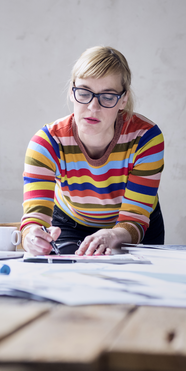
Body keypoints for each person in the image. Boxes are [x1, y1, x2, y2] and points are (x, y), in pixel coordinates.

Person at [20, 46, 165, 256]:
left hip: (135, 226)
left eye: (107, 96)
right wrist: (32, 236)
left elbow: (134, 217)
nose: (93, 107)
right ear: (72, 92)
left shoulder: (146, 139)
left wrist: (114, 235)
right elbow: (34, 219)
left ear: (123, 100)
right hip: (71, 223)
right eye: (84, 92)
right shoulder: (46, 143)